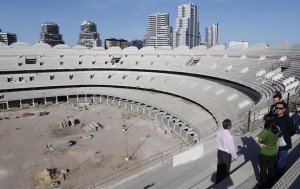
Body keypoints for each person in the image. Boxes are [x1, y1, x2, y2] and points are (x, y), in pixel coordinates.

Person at [254, 114, 280, 189]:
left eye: (264, 120)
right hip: (274, 152)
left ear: (267, 121)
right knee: (271, 169)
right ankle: (271, 185)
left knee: (263, 170)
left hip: (265, 154)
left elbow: (256, 139)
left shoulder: (266, 131)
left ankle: (263, 186)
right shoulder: (277, 129)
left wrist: (260, 144)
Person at [273, 101, 297, 179]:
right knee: (276, 160)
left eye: (280, 108)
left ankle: (278, 177)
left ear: (284, 110)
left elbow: (293, 130)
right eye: (276, 108)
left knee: (281, 160)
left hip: (284, 144)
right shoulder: (273, 118)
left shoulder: (288, 119)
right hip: (274, 144)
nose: (278, 109)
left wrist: (286, 136)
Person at [216, 119, 238, 184]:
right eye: (231, 124)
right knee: (225, 171)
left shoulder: (219, 132)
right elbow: (231, 148)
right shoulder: (229, 136)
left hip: (219, 152)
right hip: (226, 155)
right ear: (229, 126)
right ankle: (223, 185)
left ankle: (218, 184)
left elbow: (217, 142)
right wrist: (235, 156)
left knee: (219, 170)